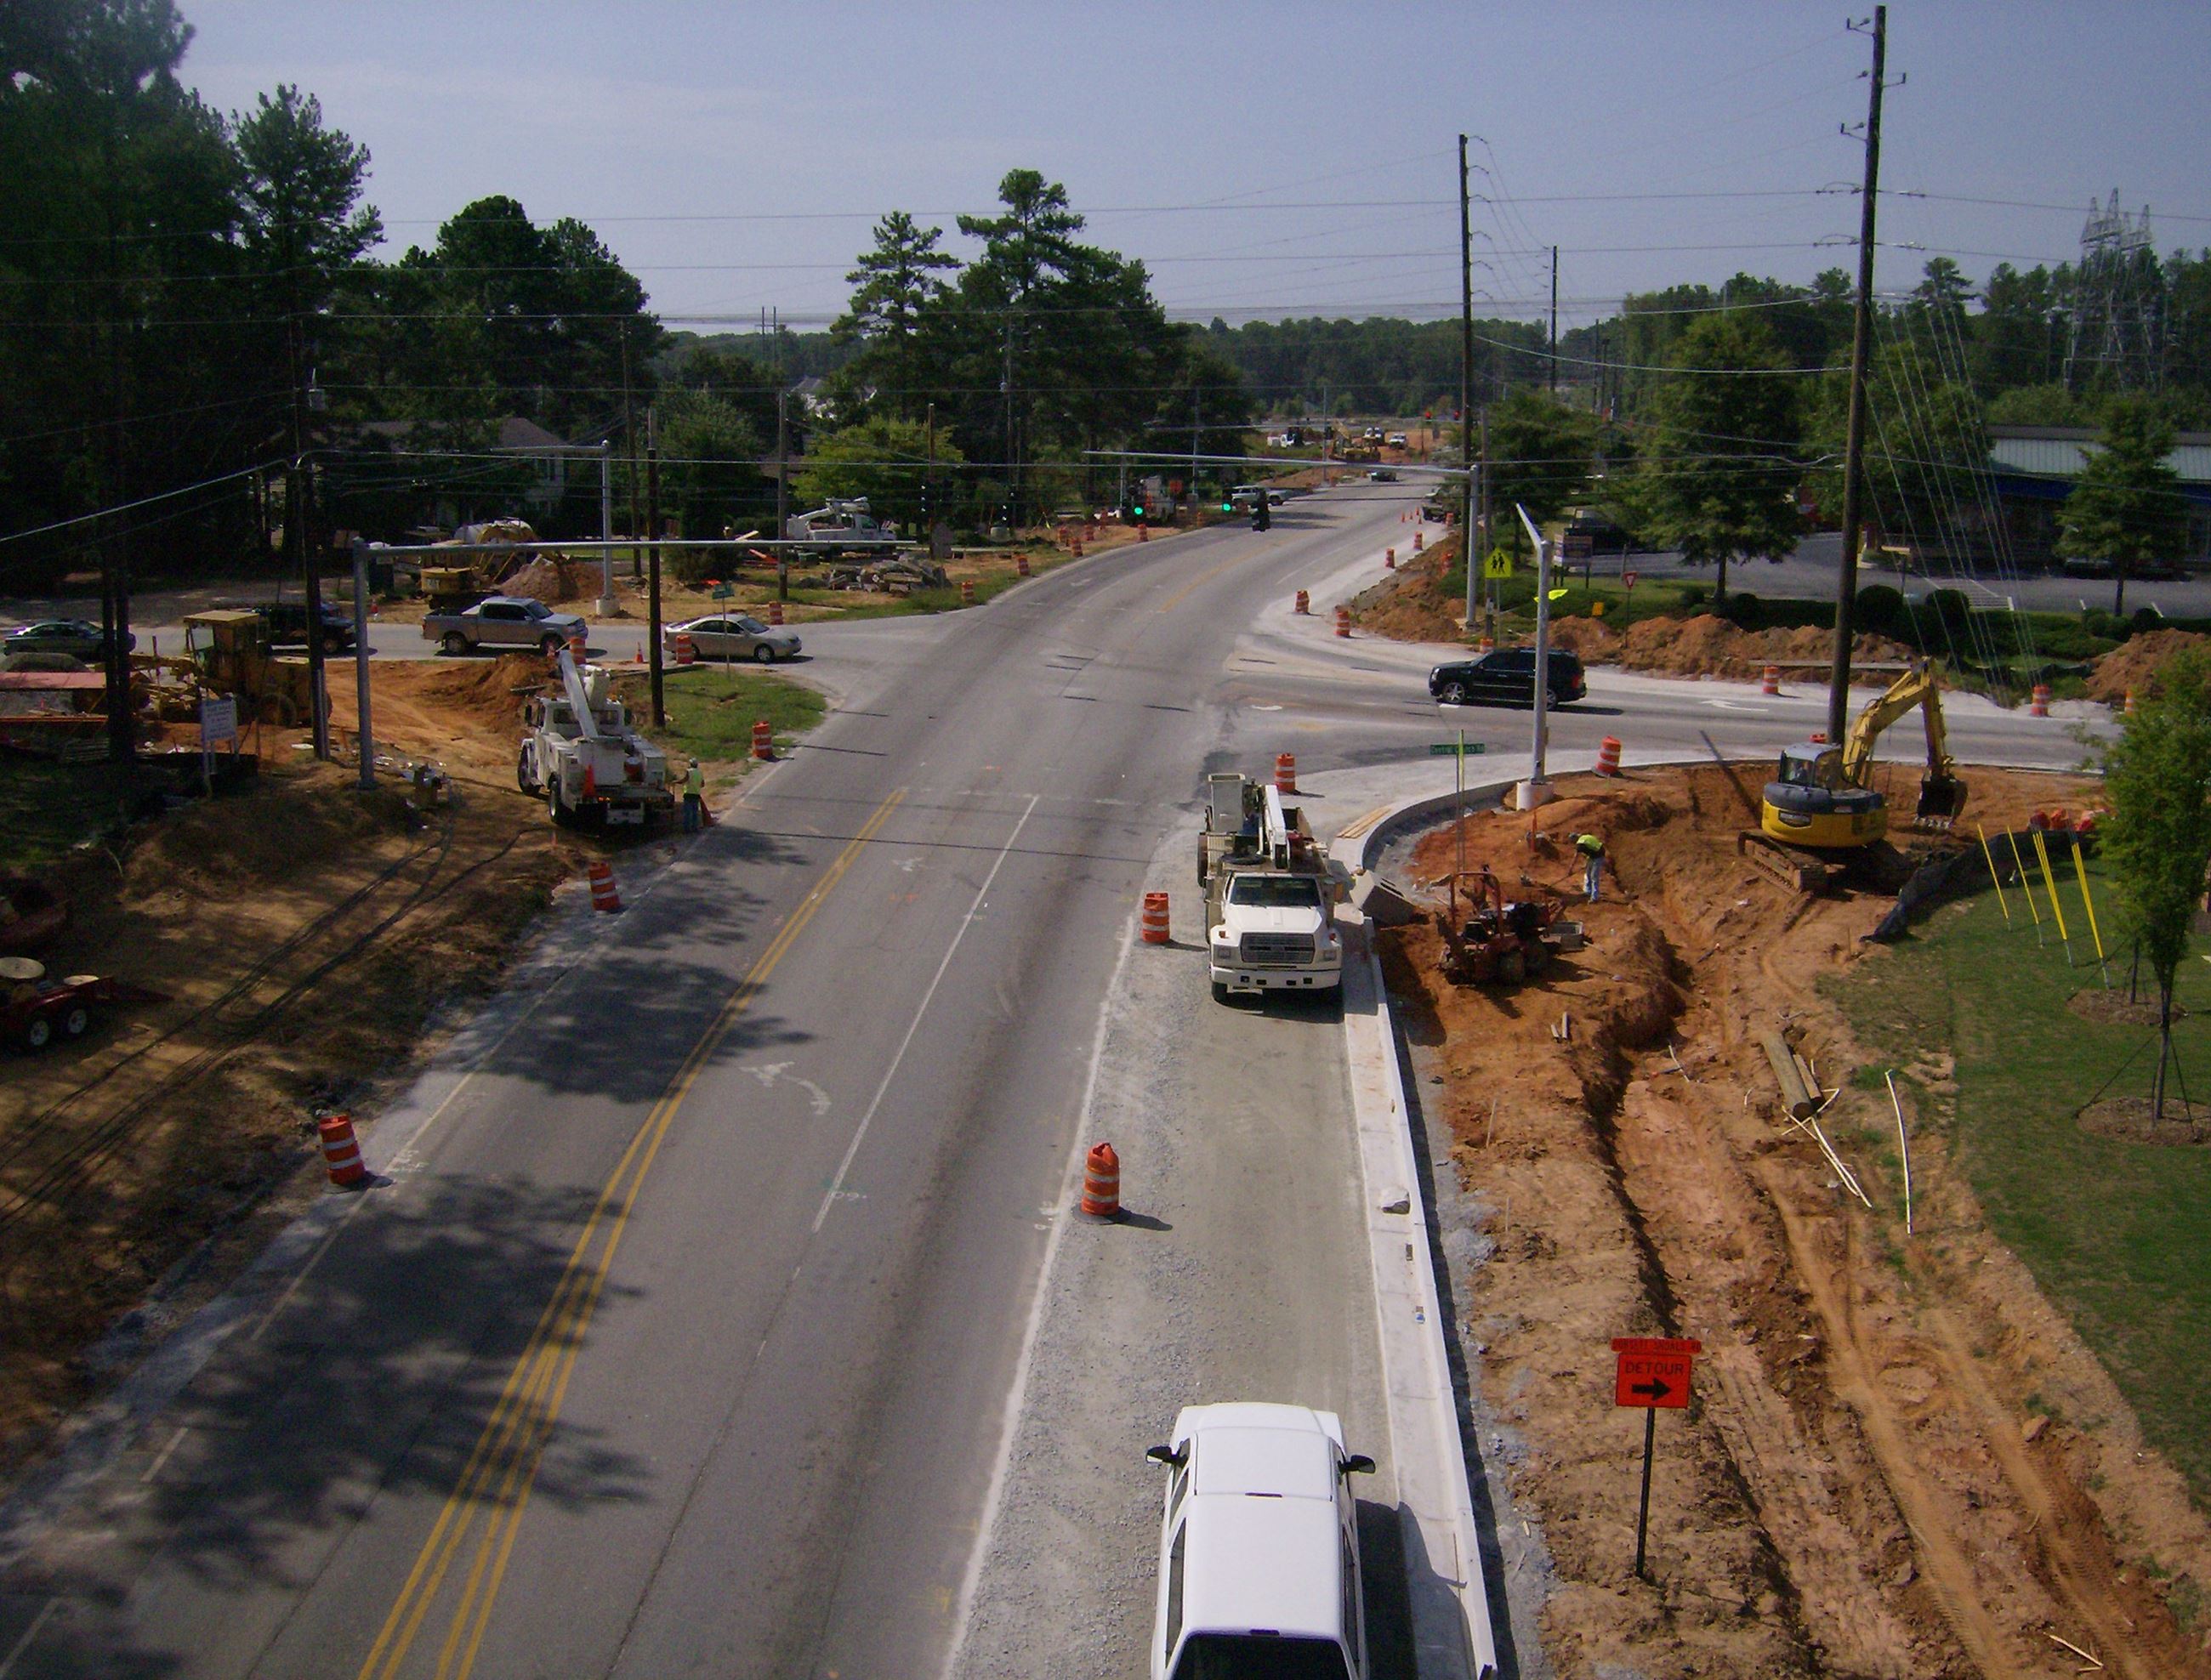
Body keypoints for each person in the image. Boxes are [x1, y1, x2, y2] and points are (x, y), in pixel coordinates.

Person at [1575, 831, 1606, 902]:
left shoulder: (1580, 845)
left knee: (1594, 877)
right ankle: (1587, 891)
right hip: (1594, 854)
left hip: (1598, 856)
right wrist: (1586, 864)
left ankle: (1595, 897)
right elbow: (1590, 849)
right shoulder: (1585, 837)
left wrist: (1570, 869)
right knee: (1587, 874)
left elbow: (1575, 857)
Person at [682, 758, 704, 833]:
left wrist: (676, 782)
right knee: (695, 812)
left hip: (688, 794)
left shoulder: (689, 771)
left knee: (687, 813)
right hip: (696, 794)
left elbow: (684, 780)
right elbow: (702, 784)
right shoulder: (700, 773)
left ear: (690, 764)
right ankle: (695, 828)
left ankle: (687, 829)